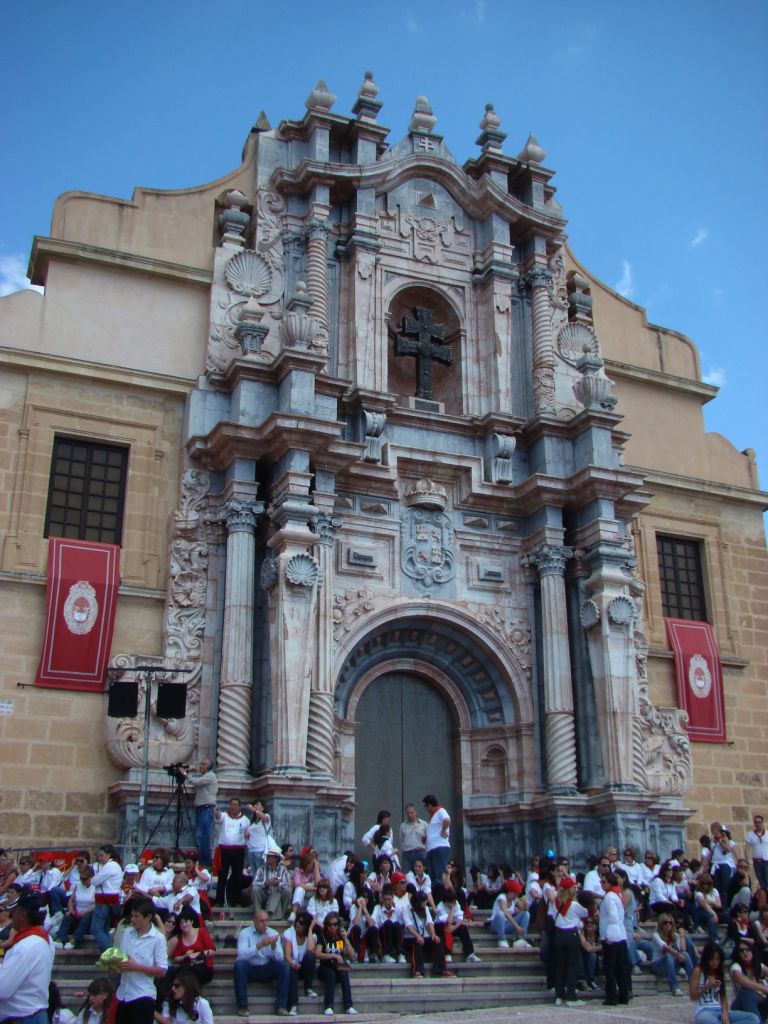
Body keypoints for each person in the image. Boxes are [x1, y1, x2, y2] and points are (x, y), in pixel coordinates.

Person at [0, 892, 54, 1024]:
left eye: (15, 912)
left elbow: (2, 989)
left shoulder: (25, 947)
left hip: (23, 1018)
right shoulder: (46, 940)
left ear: (22, 915)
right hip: (35, 1014)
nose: (12, 916)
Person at [113, 897, 168, 1024]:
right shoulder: (127, 933)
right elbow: (122, 957)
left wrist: (136, 967)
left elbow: (162, 970)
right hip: (123, 993)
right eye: (132, 916)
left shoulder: (158, 938)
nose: (132, 920)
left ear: (148, 917)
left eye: (137, 916)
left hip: (143, 994)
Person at [233, 908, 291, 1016]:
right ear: (254, 921)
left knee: (284, 967)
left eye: (266, 920)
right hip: (251, 968)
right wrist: (259, 945)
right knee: (239, 965)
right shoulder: (245, 933)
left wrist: (274, 947)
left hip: (267, 968)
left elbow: (280, 958)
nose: (265, 924)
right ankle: (242, 1006)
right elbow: (241, 956)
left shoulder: (273, 933)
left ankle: (281, 1006)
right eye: (261, 921)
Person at [689, 940, 760, 1024]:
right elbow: (693, 996)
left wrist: (725, 1014)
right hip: (704, 1011)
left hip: (719, 1009)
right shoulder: (698, 971)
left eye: (717, 959)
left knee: (753, 1018)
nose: (715, 962)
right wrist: (706, 987)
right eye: (712, 959)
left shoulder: (718, 972)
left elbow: (723, 998)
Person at [552, 876, 588, 1008]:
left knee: (560, 966)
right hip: (571, 934)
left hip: (559, 934)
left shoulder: (556, 902)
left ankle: (559, 995)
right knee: (572, 966)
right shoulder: (574, 904)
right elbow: (585, 913)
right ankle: (571, 995)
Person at [402, 891, 453, 979]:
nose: (425, 904)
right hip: (411, 937)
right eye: (423, 902)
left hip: (424, 936)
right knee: (418, 942)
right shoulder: (406, 909)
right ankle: (417, 970)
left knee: (437, 941)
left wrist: (433, 934)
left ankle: (441, 969)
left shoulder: (425, 909)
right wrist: (417, 936)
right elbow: (408, 926)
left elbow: (430, 922)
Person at [315, 913, 357, 1015]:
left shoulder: (340, 937)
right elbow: (317, 953)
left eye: (335, 924)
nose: (332, 927)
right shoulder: (323, 937)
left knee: (344, 973)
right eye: (329, 925)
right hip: (325, 966)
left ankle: (349, 1005)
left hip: (339, 966)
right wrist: (333, 956)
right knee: (331, 975)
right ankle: (328, 1006)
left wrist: (345, 939)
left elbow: (352, 955)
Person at [599, 870, 630, 1006]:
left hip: (612, 935)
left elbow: (613, 916)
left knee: (610, 968)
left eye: (604, 882)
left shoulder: (609, 896)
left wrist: (609, 935)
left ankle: (611, 996)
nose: (601, 884)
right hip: (620, 935)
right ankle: (624, 994)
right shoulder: (616, 894)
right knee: (620, 967)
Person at [181, 759, 218, 870]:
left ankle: (205, 862)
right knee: (201, 835)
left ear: (210, 766)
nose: (201, 765)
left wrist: (185, 773)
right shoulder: (205, 776)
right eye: (201, 763)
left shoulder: (210, 776)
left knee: (203, 835)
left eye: (204, 764)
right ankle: (203, 859)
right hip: (201, 808)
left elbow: (197, 782)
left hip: (207, 808)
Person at [166, 906, 215, 990]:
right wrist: (186, 956)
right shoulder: (179, 938)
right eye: (181, 923)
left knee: (190, 975)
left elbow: (212, 950)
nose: (184, 925)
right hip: (187, 967)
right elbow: (175, 958)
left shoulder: (201, 932)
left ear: (192, 921)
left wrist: (199, 954)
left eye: (186, 921)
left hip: (203, 966)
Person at [214, 797, 250, 907]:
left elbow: (248, 834)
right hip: (224, 850)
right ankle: (219, 901)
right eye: (231, 804)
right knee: (222, 876)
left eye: (235, 804)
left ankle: (235, 901)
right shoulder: (224, 816)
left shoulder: (245, 820)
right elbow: (218, 819)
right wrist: (217, 814)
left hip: (238, 851)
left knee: (237, 876)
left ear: (239, 806)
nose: (233, 807)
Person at [651, 913, 697, 996]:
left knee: (685, 954)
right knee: (668, 956)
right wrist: (677, 955)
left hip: (672, 964)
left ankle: (693, 984)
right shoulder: (656, 935)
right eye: (665, 923)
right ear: (661, 924)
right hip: (658, 965)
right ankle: (675, 988)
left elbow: (682, 949)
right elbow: (665, 947)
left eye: (670, 923)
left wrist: (682, 935)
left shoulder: (675, 936)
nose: (668, 925)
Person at [283, 910, 318, 1014]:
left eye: (302, 923)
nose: (298, 923)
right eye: (297, 921)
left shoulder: (312, 936)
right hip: (291, 966)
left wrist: (311, 929)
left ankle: (308, 987)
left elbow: (311, 950)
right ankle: (293, 1005)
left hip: (304, 968)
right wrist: (293, 963)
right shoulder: (289, 932)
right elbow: (287, 955)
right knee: (292, 967)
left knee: (310, 956)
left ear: (306, 926)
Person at [55, 863, 96, 949]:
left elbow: (96, 905)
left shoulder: (95, 887)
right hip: (78, 910)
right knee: (68, 916)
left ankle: (74, 940)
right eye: (81, 878)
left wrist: (84, 912)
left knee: (86, 917)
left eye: (84, 879)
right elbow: (71, 900)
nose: (82, 881)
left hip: (89, 912)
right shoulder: (78, 885)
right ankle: (60, 938)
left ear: (91, 877)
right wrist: (71, 910)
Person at [92, 844, 124, 954]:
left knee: (96, 928)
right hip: (108, 901)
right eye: (98, 855)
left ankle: (112, 953)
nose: (99, 858)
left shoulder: (110, 866)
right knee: (104, 929)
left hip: (104, 902)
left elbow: (94, 881)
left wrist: (96, 876)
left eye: (101, 855)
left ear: (109, 855)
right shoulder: (114, 866)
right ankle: (106, 956)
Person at [433, 889, 480, 962]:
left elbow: (460, 919)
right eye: (452, 902)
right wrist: (452, 909)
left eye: (454, 902)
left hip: (452, 926)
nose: (454, 903)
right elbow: (448, 922)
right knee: (445, 929)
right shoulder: (440, 907)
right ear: (446, 902)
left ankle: (469, 954)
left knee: (463, 928)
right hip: (441, 926)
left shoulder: (456, 903)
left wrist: (454, 927)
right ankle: (447, 954)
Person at [730, 943, 768, 1021]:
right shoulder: (735, 967)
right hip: (740, 1005)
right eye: (741, 951)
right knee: (747, 991)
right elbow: (744, 982)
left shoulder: (758, 965)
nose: (745, 952)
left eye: (748, 949)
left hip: (759, 1002)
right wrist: (765, 989)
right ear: (738, 954)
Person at [488, 879, 531, 948]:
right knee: (501, 914)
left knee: (526, 914)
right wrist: (517, 927)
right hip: (496, 925)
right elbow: (506, 912)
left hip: (507, 925)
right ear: (510, 891)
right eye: (515, 894)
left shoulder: (515, 900)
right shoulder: (501, 897)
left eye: (517, 895)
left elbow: (524, 909)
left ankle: (520, 940)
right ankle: (501, 940)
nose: (516, 896)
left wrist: (524, 903)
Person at [252, 844, 292, 918]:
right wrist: (266, 883)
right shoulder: (261, 869)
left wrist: (278, 883)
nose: (267, 858)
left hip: (278, 894)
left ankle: (281, 915)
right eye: (267, 856)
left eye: (269, 856)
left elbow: (288, 884)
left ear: (276, 858)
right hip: (264, 894)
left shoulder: (283, 870)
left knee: (287, 890)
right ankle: (258, 914)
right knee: (255, 889)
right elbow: (254, 883)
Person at [422, 795, 451, 886]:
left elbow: (447, 820)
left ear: (429, 805)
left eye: (426, 807)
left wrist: (442, 831)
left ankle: (442, 895)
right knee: (433, 876)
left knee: (440, 874)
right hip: (432, 848)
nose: (426, 809)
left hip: (439, 847)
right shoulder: (432, 816)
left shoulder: (440, 811)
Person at [372, 887, 405, 963]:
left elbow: (402, 924)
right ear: (382, 899)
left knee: (397, 924)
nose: (387, 902)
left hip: (394, 934)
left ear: (392, 899)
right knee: (388, 923)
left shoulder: (397, 909)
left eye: (389, 899)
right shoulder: (377, 908)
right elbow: (374, 923)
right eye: (385, 899)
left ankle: (400, 953)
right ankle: (386, 954)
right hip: (383, 934)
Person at [244, 800, 272, 876]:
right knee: (254, 873)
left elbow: (266, 818)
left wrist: (254, 810)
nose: (255, 806)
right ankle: (256, 886)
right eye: (254, 805)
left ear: (262, 808)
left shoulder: (266, 816)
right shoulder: (253, 821)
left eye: (257, 804)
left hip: (260, 849)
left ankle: (262, 886)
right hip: (251, 849)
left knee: (261, 872)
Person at [399, 805, 428, 873]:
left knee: (424, 873)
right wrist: (404, 849)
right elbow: (401, 840)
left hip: (420, 852)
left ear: (416, 813)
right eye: (408, 813)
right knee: (406, 873)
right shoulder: (403, 826)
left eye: (411, 812)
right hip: (408, 853)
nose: (409, 814)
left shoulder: (424, 824)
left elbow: (428, 839)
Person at [747, 815, 768, 893]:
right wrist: (747, 859)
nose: (757, 824)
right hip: (757, 861)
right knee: (761, 881)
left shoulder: (767, 834)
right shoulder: (750, 834)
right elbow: (747, 847)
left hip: (766, 861)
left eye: (759, 822)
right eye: (756, 822)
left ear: (762, 823)